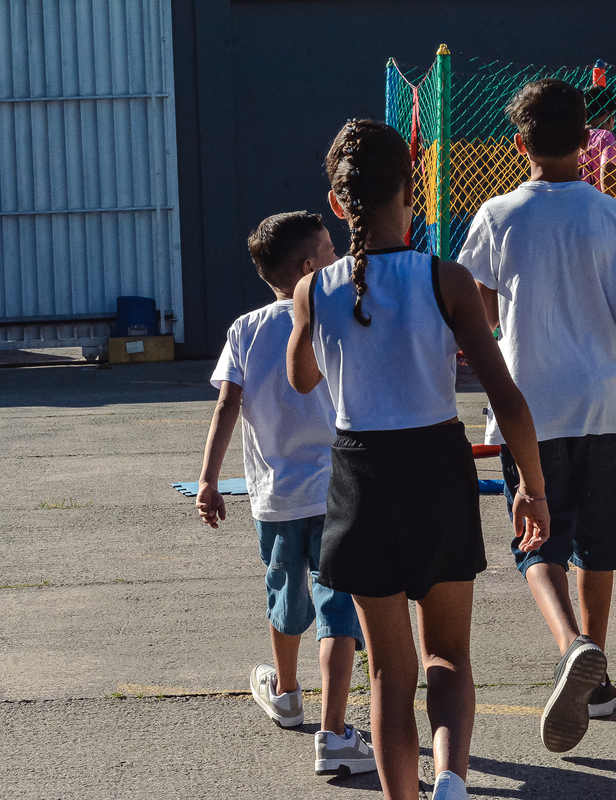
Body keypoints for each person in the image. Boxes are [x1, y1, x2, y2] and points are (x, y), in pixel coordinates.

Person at [288, 119, 550, 800]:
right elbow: (507, 399)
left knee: (388, 672)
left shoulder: (315, 290)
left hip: (360, 477)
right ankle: (452, 781)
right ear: (413, 191)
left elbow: (301, 378)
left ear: (338, 203)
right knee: (449, 655)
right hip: (436, 468)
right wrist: (532, 487)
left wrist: (314, 311)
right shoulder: (446, 279)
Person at [458, 80, 616, 753]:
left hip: (530, 407)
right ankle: (597, 675)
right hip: (605, 401)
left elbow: (482, 312)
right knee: (599, 545)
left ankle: (572, 645)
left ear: (520, 144)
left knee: (536, 539)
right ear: (585, 141)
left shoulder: (497, 216)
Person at [196, 211, 376, 777]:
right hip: (337, 493)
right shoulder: (336, 318)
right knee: (337, 608)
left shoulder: (245, 329)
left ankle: (288, 693)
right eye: (331, 250)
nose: (339, 256)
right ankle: (334, 732)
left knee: (284, 594)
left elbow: (226, 406)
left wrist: (208, 478)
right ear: (308, 268)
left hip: (274, 497)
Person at [579, 85, 616, 197]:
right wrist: (609, 201)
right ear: (610, 116)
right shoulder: (606, 137)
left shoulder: (574, 136)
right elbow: (607, 170)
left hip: (573, 198)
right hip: (596, 200)